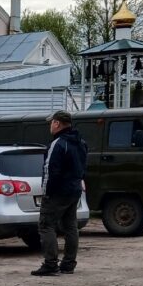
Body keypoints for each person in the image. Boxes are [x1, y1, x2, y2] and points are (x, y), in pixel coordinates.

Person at [32, 110, 88, 276]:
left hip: (57, 192)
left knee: (46, 225)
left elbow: (50, 170)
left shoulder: (58, 144)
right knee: (70, 226)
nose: (50, 125)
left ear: (57, 123)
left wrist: (46, 192)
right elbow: (83, 166)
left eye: (52, 122)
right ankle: (69, 264)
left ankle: (50, 264)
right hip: (74, 190)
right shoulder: (81, 143)